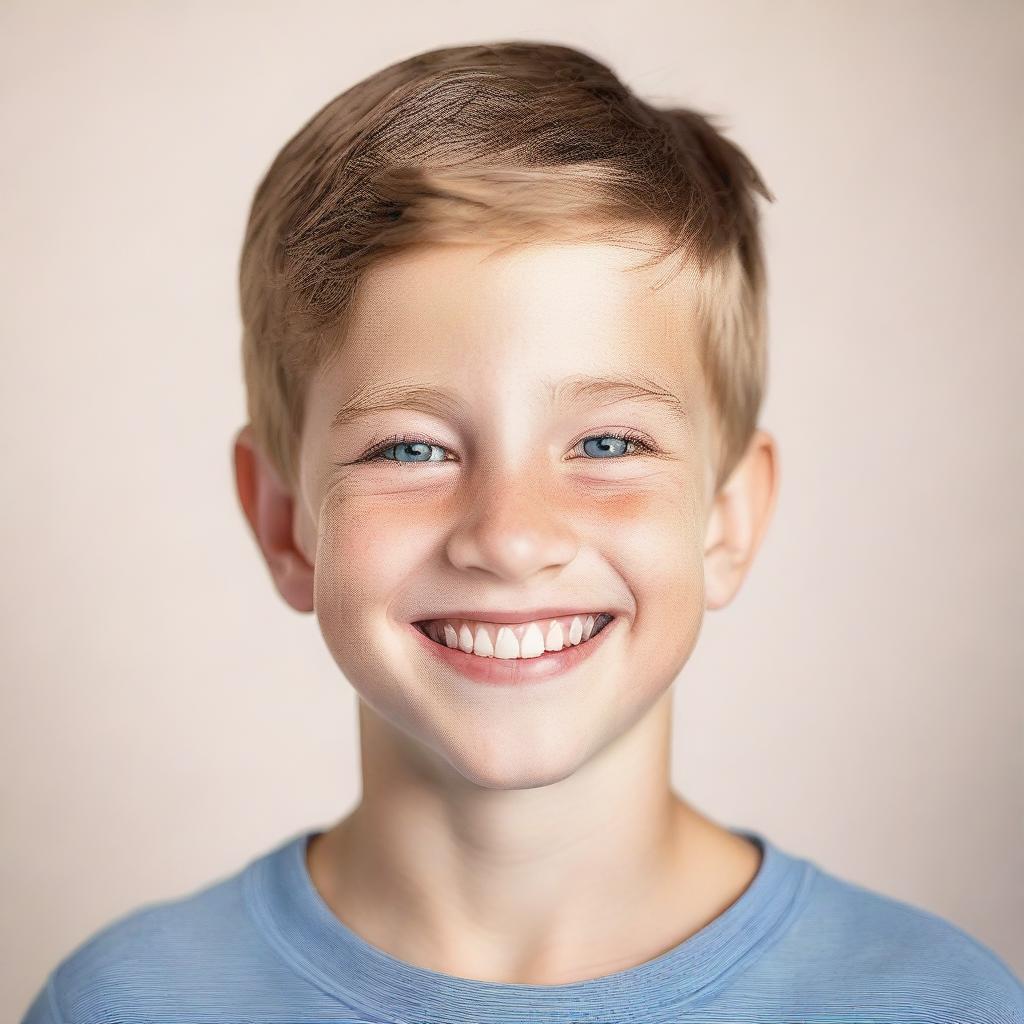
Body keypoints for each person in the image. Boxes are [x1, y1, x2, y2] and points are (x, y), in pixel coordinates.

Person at [22, 40, 1023, 1023]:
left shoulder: (934, 1004)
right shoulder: (122, 1002)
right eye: (410, 450)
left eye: (603, 440)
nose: (508, 537)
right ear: (288, 523)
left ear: (726, 518)